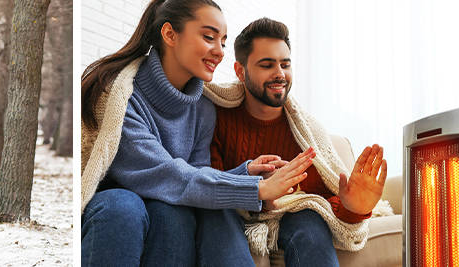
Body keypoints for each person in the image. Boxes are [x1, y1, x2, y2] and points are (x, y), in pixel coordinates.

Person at [79, 0, 314, 266]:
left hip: (166, 205)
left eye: (223, 42)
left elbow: (194, 176)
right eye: (208, 37)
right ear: (169, 34)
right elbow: (165, 174)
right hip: (115, 204)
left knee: (176, 213)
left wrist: (245, 173)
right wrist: (256, 188)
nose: (220, 51)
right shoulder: (118, 96)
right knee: (122, 206)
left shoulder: (203, 108)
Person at [209, 18, 388, 266]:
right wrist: (260, 196)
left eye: (285, 64)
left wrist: (354, 208)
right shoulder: (215, 116)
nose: (280, 74)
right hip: (232, 215)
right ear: (240, 71)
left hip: (295, 217)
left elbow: (325, 201)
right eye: (267, 65)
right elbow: (208, 184)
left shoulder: (308, 133)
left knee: (308, 219)